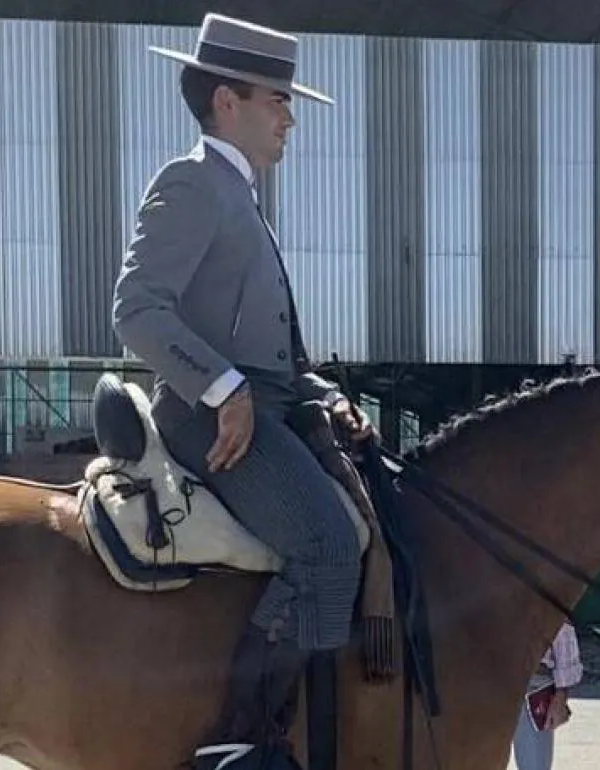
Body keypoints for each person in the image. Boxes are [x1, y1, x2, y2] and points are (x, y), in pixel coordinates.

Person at [110, 12, 373, 770]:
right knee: (326, 543)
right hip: (208, 415)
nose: (290, 116)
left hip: (266, 403)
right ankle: (243, 741)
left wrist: (322, 394)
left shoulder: (239, 193)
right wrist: (225, 388)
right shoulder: (193, 181)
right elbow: (136, 309)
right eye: (277, 100)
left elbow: (273, 357)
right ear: (227, 101)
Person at [510, 621, 583, 770]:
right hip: (483, 686)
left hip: (532, 686)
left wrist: (561, 695)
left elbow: (563, 630)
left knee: (534, 766)